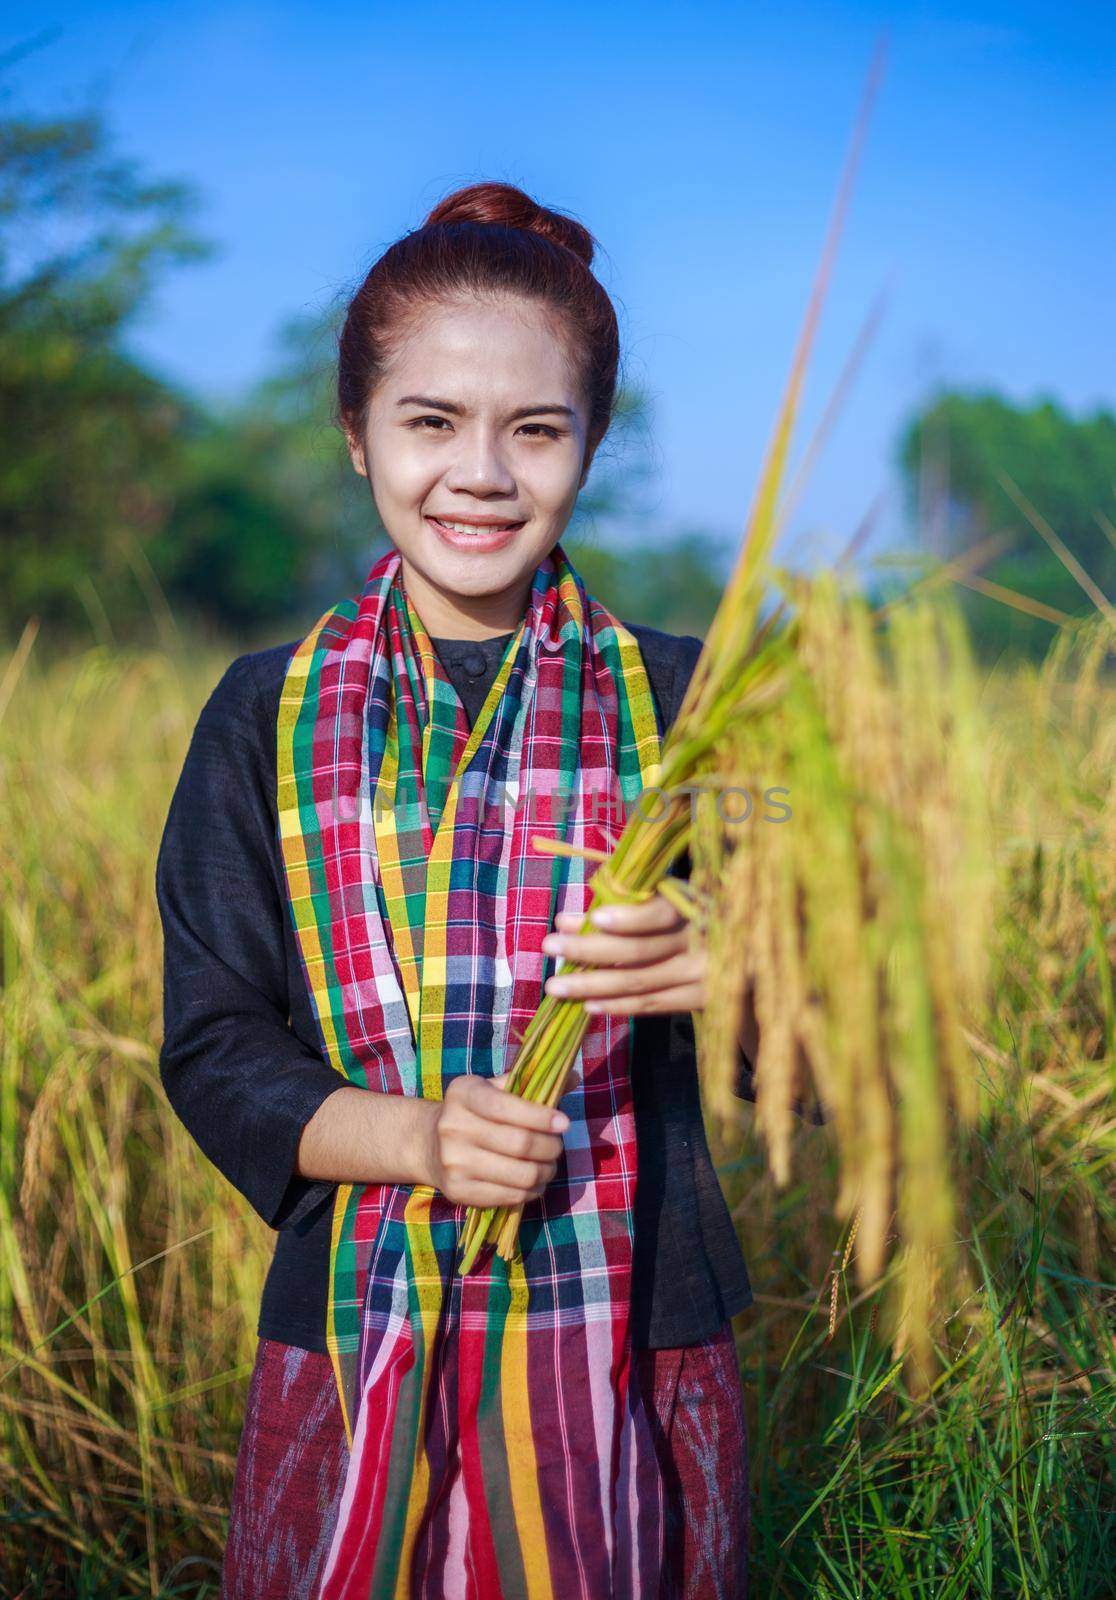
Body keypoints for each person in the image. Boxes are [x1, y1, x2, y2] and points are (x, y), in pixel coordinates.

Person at [155, 181, 805, 1600]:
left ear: (592, 444)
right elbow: (213, 1045)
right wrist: (418, 1140)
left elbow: (833, 1056)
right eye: (432, 422)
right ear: (357, 435)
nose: (483, 475)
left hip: (635, 1335)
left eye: (536, 429)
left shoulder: (697, 706)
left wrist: (734, 968)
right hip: (351, 1328)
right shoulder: (260, 713)